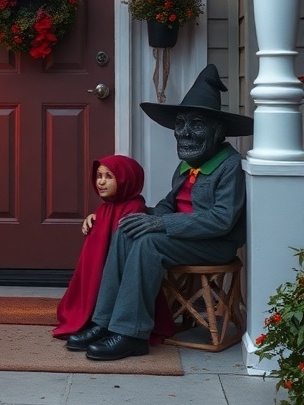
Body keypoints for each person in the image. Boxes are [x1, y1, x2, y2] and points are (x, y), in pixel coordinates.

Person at [65, 64, 254, 361]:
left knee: (148, 242)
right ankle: (103, 321)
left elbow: (221, 219)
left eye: (197, 124)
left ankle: (131, 334)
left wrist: (161, 223)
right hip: (184, 237)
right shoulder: (187, 165)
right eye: (181, 124)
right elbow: (170, 202)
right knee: (128, 228)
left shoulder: (228, 165)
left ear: (218, 132)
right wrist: (145, 214)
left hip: (214, 244)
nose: (186, 133)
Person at [53, 154, 176, 343]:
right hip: (101, 275)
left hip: (121, 275)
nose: (101, 182)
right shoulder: (103, 209)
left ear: (126, 178)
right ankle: (95, 317)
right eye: (99, 176)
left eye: (109, 177)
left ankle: (111, 323)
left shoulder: (135, 208)